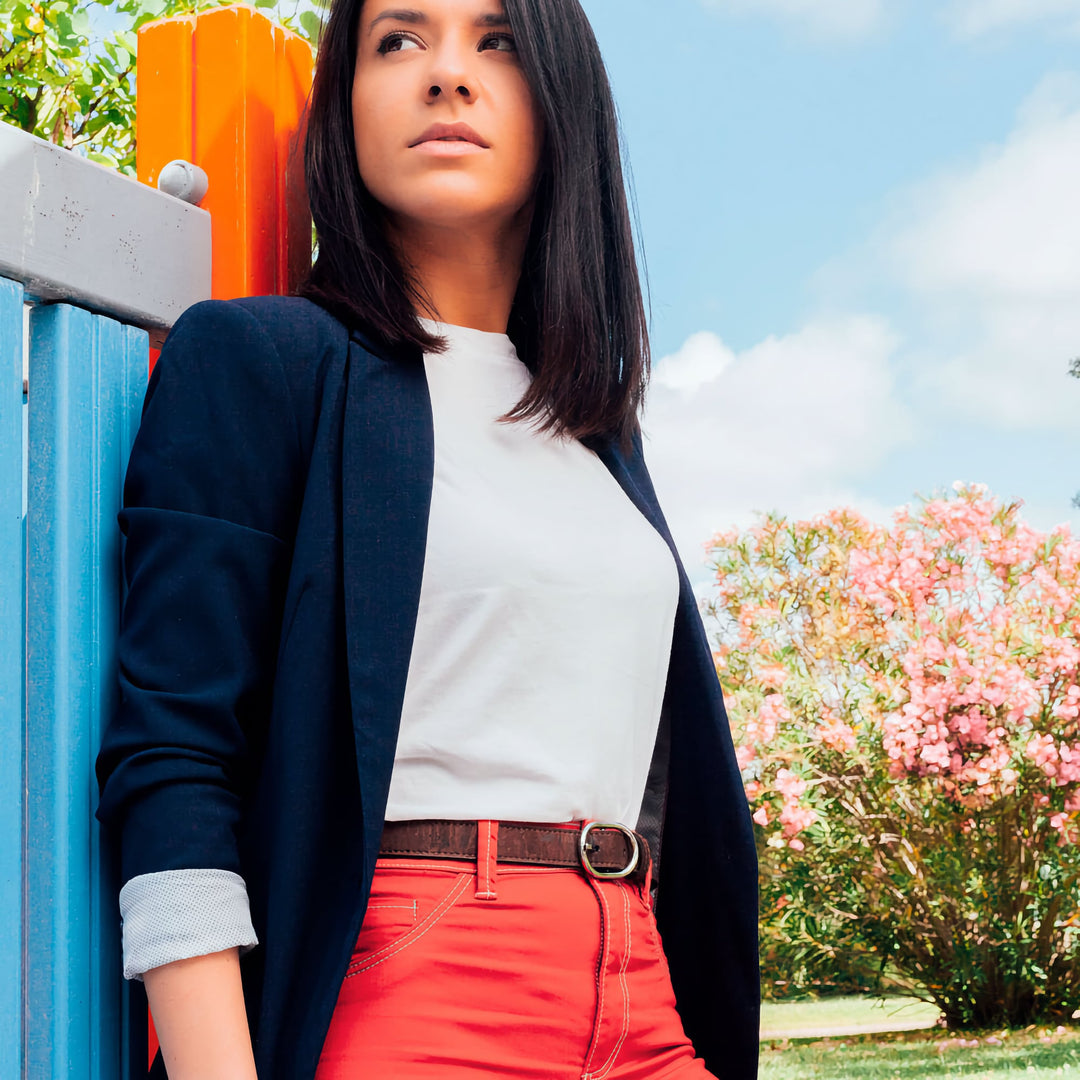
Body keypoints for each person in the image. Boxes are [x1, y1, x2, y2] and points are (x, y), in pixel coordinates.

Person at [93, 0, 761, 1077]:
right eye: (397, 41)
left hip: (641, 992)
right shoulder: (263, 363)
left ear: (563, 100)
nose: (446, 76)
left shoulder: (597, 429)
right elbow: (172, 757)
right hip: (416, 982)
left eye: (496, 40)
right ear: (342, 108)